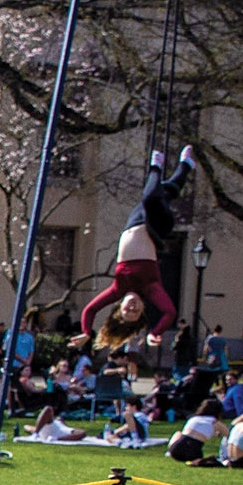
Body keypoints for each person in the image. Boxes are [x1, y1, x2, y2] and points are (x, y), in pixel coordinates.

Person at [75, 147, 194, 352]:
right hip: (156, 227)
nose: (132, 308)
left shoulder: (117, 288)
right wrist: (155, 333)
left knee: (164, 191)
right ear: (142, 310)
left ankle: (185, 166)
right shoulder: (151, 288)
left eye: (127, 310)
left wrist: (86, 332)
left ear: (119, 307)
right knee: (150, 197)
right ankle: (155, 166)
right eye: (135, 312)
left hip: (134, 223)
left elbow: (90, 309)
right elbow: (169, 312)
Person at [166, 399, 227, 463]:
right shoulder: (214, 422)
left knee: (178, 433)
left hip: (175, 450)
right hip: (193, 452)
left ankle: (169, 452)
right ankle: (197, 461)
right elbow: (228, 434)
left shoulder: (194, 418)